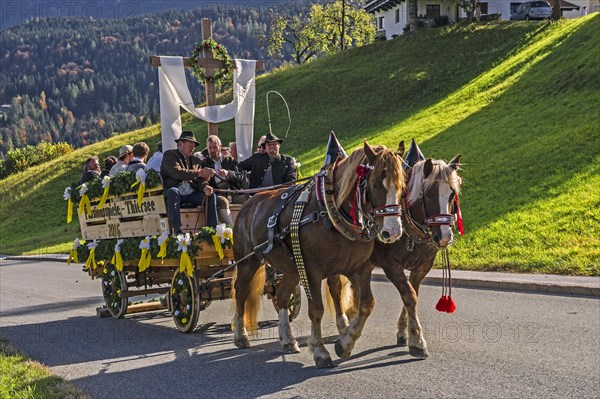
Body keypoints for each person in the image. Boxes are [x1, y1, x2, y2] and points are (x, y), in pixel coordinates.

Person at [160, 130, 218, 235]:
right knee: (173, 192)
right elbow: (176, 173)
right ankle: (176, 231)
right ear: (180, 144)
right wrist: (199, 172)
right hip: (174, 194)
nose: (192, 148)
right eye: (190, 145)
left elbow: (200, 180)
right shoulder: (170, 155)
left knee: (210, 195)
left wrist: (205, 187)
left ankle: (212, 231)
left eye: (194, 146)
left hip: (191, 194)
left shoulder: (195, 161)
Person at [201, 135, 247, 208]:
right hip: (216, 193)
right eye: (210, 148)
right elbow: (201, 182)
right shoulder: (204, 163)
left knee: (248, 200)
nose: (212, 150)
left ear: (220, 146)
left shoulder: (230, 160)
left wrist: (228, 173)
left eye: (215, 147)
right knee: (223, 202)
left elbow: (241, 177)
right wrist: (207, 178)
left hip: (233, 192)